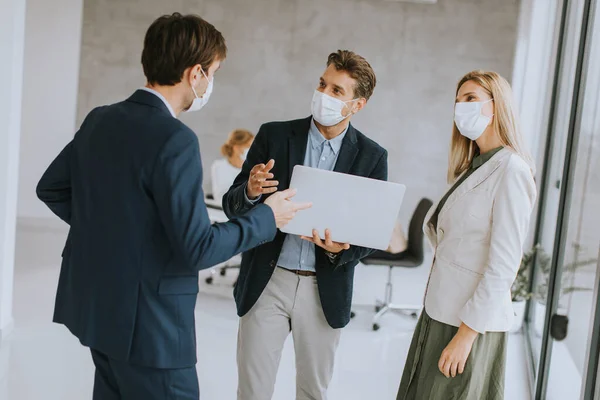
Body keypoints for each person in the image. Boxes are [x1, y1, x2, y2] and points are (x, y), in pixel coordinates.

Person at [36, 13, 309, 400]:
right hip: (153, 331)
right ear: (195, 74)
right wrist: (268, 216)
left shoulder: (100, 119)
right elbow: (197, 248)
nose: (211, 82)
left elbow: (52, 189)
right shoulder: (176, 140)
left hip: (98, 314)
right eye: (213, 72)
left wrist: (113, 232)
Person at [223, 50, 388, 400]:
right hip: (267, 281)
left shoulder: (372, 157)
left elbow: (370, 235)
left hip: (323, 289)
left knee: (313, 392)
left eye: (337, 91)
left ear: (357, 105)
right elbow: (231, 204)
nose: (324, 94)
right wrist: (250, 192)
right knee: (252, 392)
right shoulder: (274, 136)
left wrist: (343, 249)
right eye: (322, 83)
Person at [396, 70, 537, 400]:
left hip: (467, 324)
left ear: (495, 105)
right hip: (439, 312)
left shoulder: (511, 170)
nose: (461, 108)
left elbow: (503, 265)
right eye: (458, 101)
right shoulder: (473, 166)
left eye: (471, 99)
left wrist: (466, 335)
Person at [211, 129, 254, 203]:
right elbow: (220, 196)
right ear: (236, 148)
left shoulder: (252, 168)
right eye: (249, 146)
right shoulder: (219, 166)